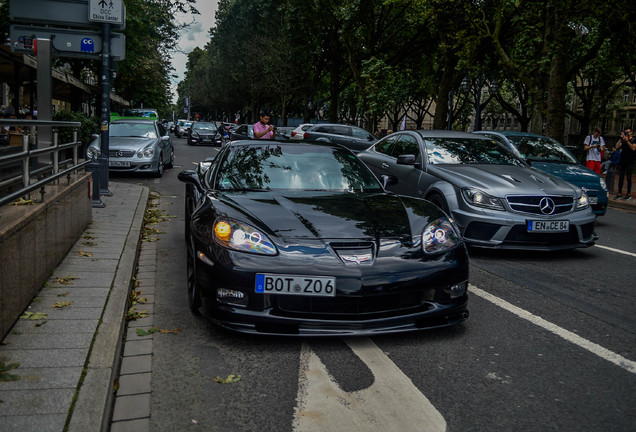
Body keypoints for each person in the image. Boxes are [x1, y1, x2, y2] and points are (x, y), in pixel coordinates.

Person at [614, 127, 636, 200]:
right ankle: (619, 193)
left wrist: (627, 141)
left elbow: (633, 148)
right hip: (623, 160)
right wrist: (621, 138)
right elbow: (616, 147)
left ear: (631, 132)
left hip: (630, 161)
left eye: (628, 132)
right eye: (625, 132)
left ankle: (628, 193)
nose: (627, 134)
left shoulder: (634, 140)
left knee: (629, 177)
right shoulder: (623, 140)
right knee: (621, 177)